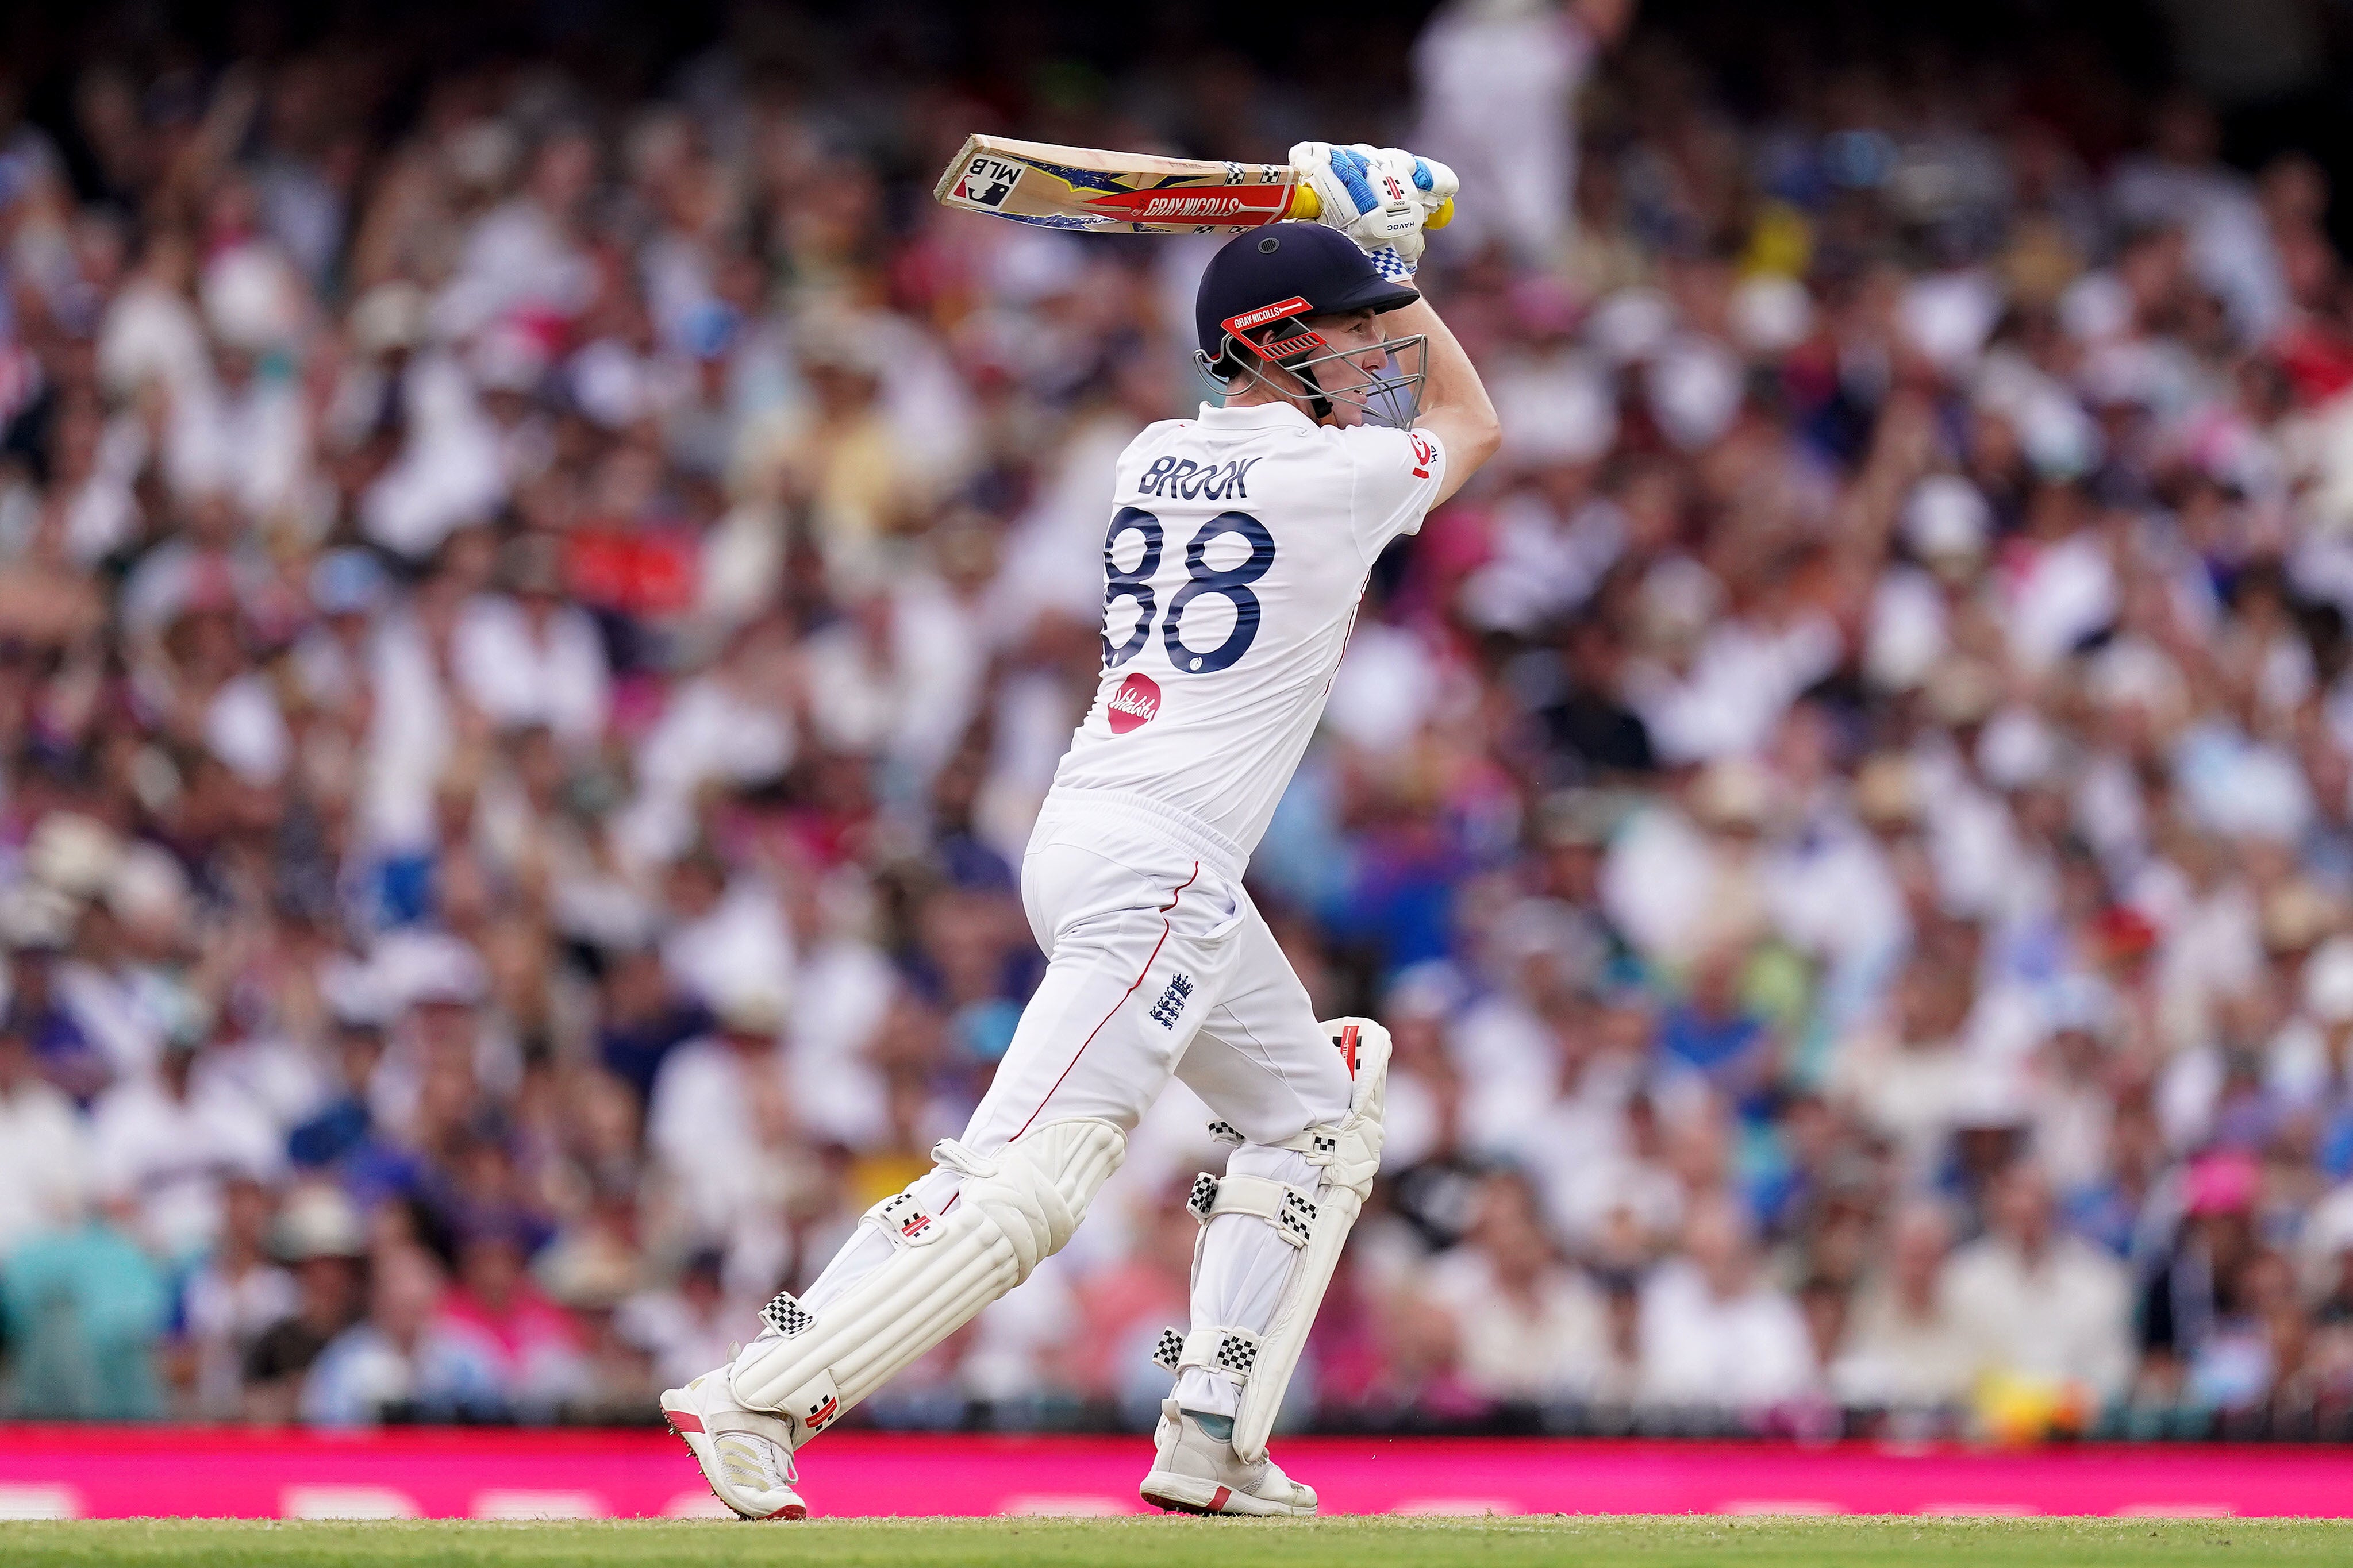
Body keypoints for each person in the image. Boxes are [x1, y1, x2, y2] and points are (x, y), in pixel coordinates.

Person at [660, 154, 1498, 1520]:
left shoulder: (1147, 456)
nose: (1371, 358)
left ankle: (1211, 1430)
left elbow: (1378, 397)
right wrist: (1390, 262)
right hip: (1158, 870)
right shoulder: (1334, 483)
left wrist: (1361, 260)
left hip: (1099, 837)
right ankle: (755, 1392)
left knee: (1311, 1114)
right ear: (1276, 345)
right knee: (1030, 1179)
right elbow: (1469, 418)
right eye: (1345, 336)